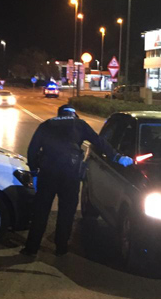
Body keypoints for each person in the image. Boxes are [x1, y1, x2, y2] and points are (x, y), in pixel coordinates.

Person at [22, 104, 133, 257]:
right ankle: (61, 248)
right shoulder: (79, 125)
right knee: (66, 212)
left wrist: (34, 172)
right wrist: (118, 157)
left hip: (47, 175)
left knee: (41, 212)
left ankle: (31, 248)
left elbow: (32, 150)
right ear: (74, 114)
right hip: (70, 175)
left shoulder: (46, 125)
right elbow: (99, 142)